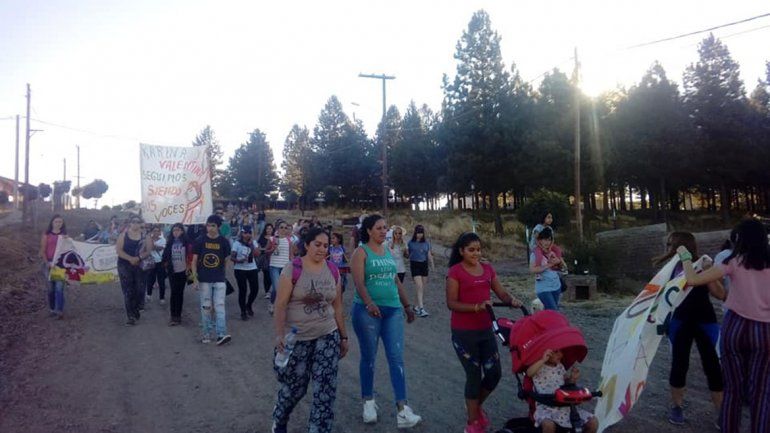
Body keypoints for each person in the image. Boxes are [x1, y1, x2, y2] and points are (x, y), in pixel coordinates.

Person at [676, 218, 770, 433]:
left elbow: (691, 279)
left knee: (733, 389)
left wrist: (685, 256)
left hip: (735, 326)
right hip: (765, 331)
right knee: (762, 390)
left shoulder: (734, 261)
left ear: (739, 238)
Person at [271, 228, 349, 433]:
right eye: (317, 244)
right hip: (298, 338)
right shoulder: (293, 268)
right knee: (295, 388)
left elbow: (338, 306)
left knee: (325, 389)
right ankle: (279, 418)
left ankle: (319, 429)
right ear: (307, 245)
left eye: (326, 246)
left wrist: (343, 336)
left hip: (327, 335)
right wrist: (279, 334)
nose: (322, 249)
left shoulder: (333, 270)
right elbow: (280, 305)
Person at [445, 232, 523, 433]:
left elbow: (501, 292)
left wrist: (511, 300)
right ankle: (472, 423)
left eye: (478, 249)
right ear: (461, 251)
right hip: (464, 333)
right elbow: (451, 303)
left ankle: (474, 406)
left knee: (494, 373)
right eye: (471, 250)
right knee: (473, 375)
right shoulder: (455, 272)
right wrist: (476, 307)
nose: (476, 253)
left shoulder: (488, 269)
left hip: (486, 330)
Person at [351, 214, 422, 429]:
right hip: (367, 312)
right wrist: (368, 302)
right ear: (369, 231)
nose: (384, 231)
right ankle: (368, 403)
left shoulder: (389, 252)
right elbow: (358, 281)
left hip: (392, 310)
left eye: (385, 228)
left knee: (396, 358)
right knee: (369, 357)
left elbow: (395, 280)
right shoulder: (361, 252)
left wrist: (407, 305)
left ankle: (403, 410)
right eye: (379, 228)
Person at [652, 232, 725, 426]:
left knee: (713, 367)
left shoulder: (703, 263)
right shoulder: (668, 269)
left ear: (680, 246)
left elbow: (720, 294)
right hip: (680, 321)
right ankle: (677, 406)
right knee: (679, 364)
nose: (667, 248)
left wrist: (709, 272)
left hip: (704, 320)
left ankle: (722, 413)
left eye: (669, 244)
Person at [526, 349, 598, 433]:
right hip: (547, 407)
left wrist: (573, 378)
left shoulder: (560, 366)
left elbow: (566, 384)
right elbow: (529, 373)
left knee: (593, 422)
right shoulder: (539, 366)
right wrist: (543, 360)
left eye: (561, 351)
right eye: (556, 352)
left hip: (565, 407)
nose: (561, 354)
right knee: (548, 426)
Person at [191, 214, 232, 345]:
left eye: (213, 225)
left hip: (219, 279)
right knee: (206, 307)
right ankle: (206, 333)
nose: (210, 228)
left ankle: (221, 334)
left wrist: (223, 276)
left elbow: (226, 261)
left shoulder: (224, 242)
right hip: (204, 279)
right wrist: (195, 279)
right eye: (208, 225)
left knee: (220, 306)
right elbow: (194, 261)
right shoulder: (200, 240)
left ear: (219, 227)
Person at [115, 215, 153, 326]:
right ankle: (130, 316)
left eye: (138, 222)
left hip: (140, 266)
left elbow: (149, 251)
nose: (135, 224)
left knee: (140, 289)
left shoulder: (145, 236)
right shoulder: (123, 235)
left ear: (141, 223)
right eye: (133, 222)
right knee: (128, 291)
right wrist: (130, 258)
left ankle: (136, 309)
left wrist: (138, 258)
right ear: (130, 223)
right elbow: (118, 250)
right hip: (124, 265)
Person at [161, 223, 190, 326]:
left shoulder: (186, 243)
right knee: (174, 293)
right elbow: (164, 257)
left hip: (183, 271)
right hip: (172, 272)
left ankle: (179, 316)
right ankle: (173, 317)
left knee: (180, 293)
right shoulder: (169, 243)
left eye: (178, 230)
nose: (176, 232)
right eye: (174, 230)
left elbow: (190, 256)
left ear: (182, 231)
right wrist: (166, 265)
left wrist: (189, 267)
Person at [529, 229, 565, 311]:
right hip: (544, 289)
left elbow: (562, 267)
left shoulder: (554, 252)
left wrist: (558, 261)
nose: (547, 242)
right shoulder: (535, 254)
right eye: (545, 239)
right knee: (554, 312)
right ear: (540, 240)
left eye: (549, 240)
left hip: (556, 286)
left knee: (548, 313)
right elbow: (532, 270)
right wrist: (549, 264)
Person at [39, 214, 67, 319]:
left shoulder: (64, 235)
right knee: (51, 289)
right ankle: (52, 309)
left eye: (60, 222)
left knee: (59, 288)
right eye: (56, 221)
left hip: (60, 265)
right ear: (52, 223)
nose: (58, 223)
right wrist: (47, 263)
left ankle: (59, 311)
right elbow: (42, 250)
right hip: (49, 263)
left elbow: (68, 250)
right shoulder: (47, 235)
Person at [232, 225, 260, 321]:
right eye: (245, 233)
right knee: (243, 290)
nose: (247, 235)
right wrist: (239, 260)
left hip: (252, 268)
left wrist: (252, 245)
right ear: (242, 233)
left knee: (255, 289)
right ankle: (243, 311)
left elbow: (257, 254)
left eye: (249, 233)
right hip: (240, 269)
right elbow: (232, 257)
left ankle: (249, 305)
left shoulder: (254, 242)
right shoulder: (237, 243)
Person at [269, 220, 297, 314]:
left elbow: (291, 255)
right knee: (277, 288)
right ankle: (273, 304)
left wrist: (293, 265)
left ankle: (281, 306)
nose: (284, 229)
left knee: (285, 288)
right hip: (274, 266)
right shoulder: (272, 239)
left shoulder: (290, 240)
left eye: (286, 228)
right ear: (277, 228)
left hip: (285, 267)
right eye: (281, 227)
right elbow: (266, 252)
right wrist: (273, 248)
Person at [407, 224, 434, 318]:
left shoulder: (426, 243)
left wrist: (432, 264)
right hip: (414, 265)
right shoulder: (410, 243)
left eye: (421, 233)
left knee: (422, 288)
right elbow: (407, 253)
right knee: (419, 285)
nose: (420, 235)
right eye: (418, 233)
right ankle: (421, 309)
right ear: (415, 233)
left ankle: (415, 306)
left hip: (424, 265)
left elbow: (429, 254)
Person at [145, 225, 167, 305]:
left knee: (161, 281)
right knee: (150, 280)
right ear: (152, 231)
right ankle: (148, 294)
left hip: (160, 262)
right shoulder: (148, 238)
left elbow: (160, 248)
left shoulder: (163, 239)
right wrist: (150, 244)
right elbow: (146, 248)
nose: (156, 232)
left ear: (160, 232)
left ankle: (162, 297)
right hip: (151, 262)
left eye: (158, 231)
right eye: (154, 231)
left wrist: (151, 244)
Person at [257, 223, 275, 299]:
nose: (269, 230)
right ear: (265, 229)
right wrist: (266, 250)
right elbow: (259, 248)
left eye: (270, 228)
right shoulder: (261, 238)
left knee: (273, 276)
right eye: (267, 228)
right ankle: (267, 291)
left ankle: (272, 291)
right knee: (266, 276)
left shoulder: (275, 238)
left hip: (274, 259)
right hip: (265, 260)